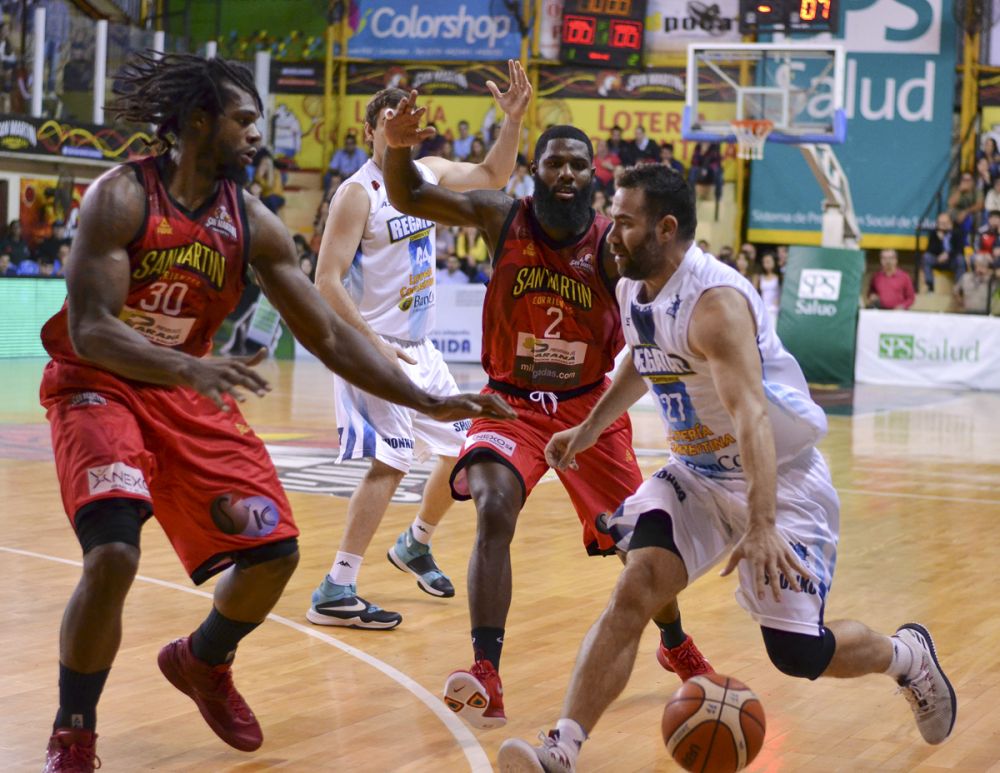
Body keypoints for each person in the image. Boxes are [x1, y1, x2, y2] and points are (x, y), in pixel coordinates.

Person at [37, 52, 513, 773]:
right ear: (199, 122)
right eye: (244, 121)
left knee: (274, 550)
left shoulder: (251, 221)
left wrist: (422, 397)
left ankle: (204, 658)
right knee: (114, 551)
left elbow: (327, 335)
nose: (258, 135)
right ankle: (74, 734)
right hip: (98, 385)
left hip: (185, 388)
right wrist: (188, 365)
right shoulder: (122, 197)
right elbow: (91, 327)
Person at [496, 164, 956, 772]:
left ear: (665, 228)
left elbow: (752, 418)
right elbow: (643, 358)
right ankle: (562, 749)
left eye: (625, 222)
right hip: (695, 473)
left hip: (777, 478)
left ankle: (907, 656)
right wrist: (588, 429)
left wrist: (762, 524)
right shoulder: (635, 285)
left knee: (797, 653)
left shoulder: (715, 304)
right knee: (635, 588)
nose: (610, 232)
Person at [383, 101, 714, 730]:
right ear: (534, 170)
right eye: (555, 163)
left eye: (578, 165)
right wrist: (398, 148)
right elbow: (408, 195)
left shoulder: (614, 246)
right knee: (492, 506)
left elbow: (661, 311)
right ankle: (486, 670)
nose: (566, 173)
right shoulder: (500, 215)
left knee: (638, 543)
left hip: (588, 408)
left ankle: (674, 642)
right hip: (509, 403)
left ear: (594, 174)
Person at [306, 60, 531, 631]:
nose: (401, 125)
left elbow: (493, 174)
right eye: (390, 118)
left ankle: (415, 543)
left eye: (408, 116)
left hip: (421, 349)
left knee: (466, 449)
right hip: (374, 347)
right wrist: (372, 346)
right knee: (393, 459)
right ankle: (336, 587)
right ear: (371, 130)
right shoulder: (356, 193)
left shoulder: (426, 174)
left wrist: (512, 120)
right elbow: (326, 280)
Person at [757, 251, 782, 319]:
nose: (766, 264)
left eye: (768, 262)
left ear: (774, 262)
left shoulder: (780, 277)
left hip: (775, 310)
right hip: (763, 309)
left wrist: (778, 302)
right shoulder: (760, 277)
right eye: (764, 262)